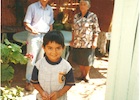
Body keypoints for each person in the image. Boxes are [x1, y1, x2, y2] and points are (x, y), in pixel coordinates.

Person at [31, 30, 75, 100]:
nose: (54, 52)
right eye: (50, 48)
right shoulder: (39, 65)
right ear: (44, 48)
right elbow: (34, 82)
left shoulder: (66, 66)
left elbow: (69, 83)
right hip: (42, 98)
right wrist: (42, 92)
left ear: (63, 48)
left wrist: (59, 94)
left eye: (58, 48)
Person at [23, 0, 54, 91]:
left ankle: (37, 81)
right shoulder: (32, 7)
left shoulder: (50, 10)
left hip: (45, 36)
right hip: (34, 36)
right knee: (31, 59)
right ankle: (28, 82)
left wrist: (51, 36)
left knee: (41, 60)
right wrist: (32, 29)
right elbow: (26, 22)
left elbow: (50, 24)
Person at [70, 0, 101, 82]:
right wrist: (72, 40)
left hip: (88, 42)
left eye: (84, 4)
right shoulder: (77, 16)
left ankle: (86, 75)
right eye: (81, 4)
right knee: (79, 58)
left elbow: (96, 30)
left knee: (87, 59)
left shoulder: (92, 16)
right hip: (77, 42)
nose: (82, 6)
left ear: (88, 6)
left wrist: (95, 41)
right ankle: (82, 74)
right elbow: (73, 29)